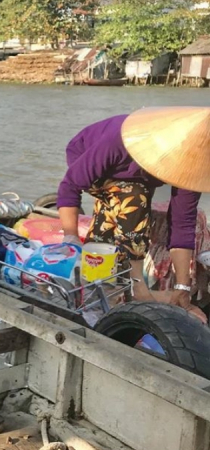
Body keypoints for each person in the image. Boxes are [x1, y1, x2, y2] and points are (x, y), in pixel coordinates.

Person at [57, 107, 210, 323]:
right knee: (133, 198)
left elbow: (182, 223)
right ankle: (138, 288)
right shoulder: (117, 140)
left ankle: (100, 292)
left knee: (113, 222)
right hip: (85, 155)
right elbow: (69, 185)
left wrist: (182, 287)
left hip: (136, 179)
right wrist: (70, 236)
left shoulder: (190, 165)